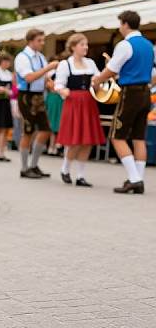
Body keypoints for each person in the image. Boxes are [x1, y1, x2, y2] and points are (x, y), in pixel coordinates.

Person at [92, 11, 154, 194]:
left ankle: (134, 179)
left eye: (120, 24)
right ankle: (139, 179)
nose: (120, 27)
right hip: (145, 92)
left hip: (130, 94)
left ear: (125, 24)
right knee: (139, 137)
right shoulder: (149, 45)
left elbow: (111, 70)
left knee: (116, 136)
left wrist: (96, 80)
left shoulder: (125, 44)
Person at [55, 34, 105, 187]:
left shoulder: (90, 63)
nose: (86, 47)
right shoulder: (65, 64)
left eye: (86, 44)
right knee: (74, 140)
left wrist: (98, 84)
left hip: (89, 102)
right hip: (74, 103)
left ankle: (81, 175)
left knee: (87, 140)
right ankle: (65, 169)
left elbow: (98, 83)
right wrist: (65, 92)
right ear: (73, 47)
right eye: (82, 44)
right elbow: (58, 85)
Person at [14, 29, 58, 179]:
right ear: (31, 40)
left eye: (43, 40)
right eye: (39, 40)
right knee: (28, 131)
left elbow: (44, 77)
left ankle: (34, 165)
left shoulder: (40, 57)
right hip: (26, 96)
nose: (42, 43)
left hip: (39, 96)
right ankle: (24, 168)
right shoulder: (22, 57)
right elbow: (29, 77)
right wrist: (48, 68)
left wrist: (50, 83)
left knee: (46, 129)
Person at [45, 55, 64, 156]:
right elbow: (50, 86)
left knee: (59, 122)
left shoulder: (62, 73)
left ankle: (57, 146)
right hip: (52, 98)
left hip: (60, 98)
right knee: (52, 121)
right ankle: (51, 146)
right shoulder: (49, 74)